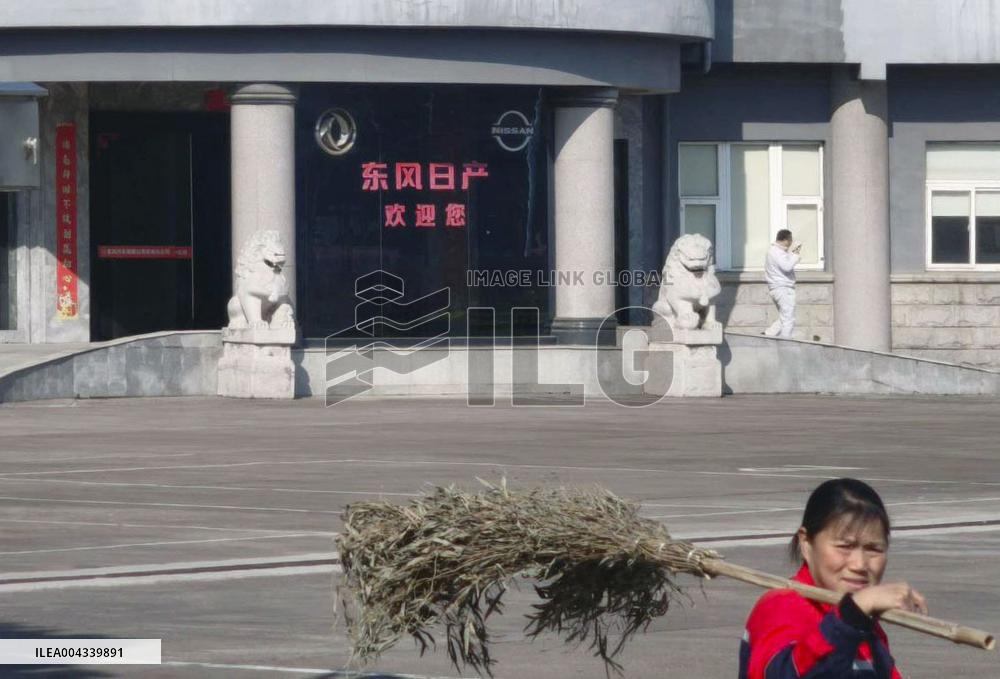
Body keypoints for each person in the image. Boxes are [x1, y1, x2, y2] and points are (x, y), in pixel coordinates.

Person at [738, 479, 927, 679]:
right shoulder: (782, 606)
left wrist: (855, 615)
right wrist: (853, 614)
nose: (859, 565)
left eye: (874, 549)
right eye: (845, 546)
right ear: (806, 543)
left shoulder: (865, 627)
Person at [764, 229, 802, 338]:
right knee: (788, 319)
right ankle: (786, 343)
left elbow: (784, 264)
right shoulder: (777, 252)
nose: (791, 243)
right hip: (783, 288)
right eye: (790, 240)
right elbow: (787, 266)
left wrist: (792, 254)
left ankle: (768, 334)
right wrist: (795, 255)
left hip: (777, 288)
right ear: (786, 240)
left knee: (783, 317)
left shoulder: (774, 251)